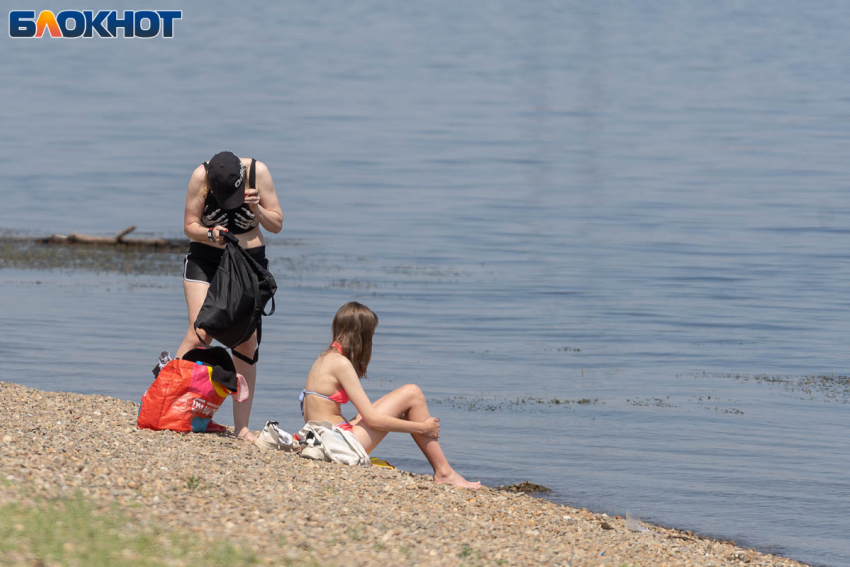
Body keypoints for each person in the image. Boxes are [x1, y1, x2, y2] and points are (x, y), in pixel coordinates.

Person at [300, 301, 481, 489]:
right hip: (338, 445)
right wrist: (421, 428)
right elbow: (373, 421)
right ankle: (444, 472)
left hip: (320, 437)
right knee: (413, 393)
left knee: (406, 402)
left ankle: (444, 471)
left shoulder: (324, 358)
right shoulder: (341, 364)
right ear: (361, 335)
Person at [175, 151, 283, 442]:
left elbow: (277, 224)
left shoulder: (258, 172)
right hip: (206, 260)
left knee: (247, 342)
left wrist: (258, 209)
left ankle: (242, 428)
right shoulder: (200, 176)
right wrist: (210, 234)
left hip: (248, 263)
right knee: (200, 332)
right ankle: (173, 405)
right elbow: (189, 225)